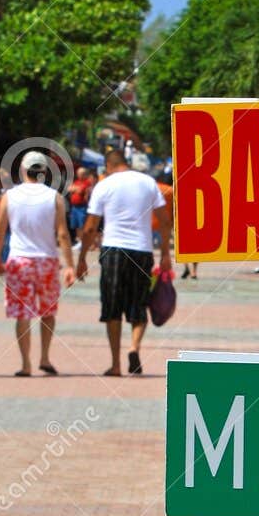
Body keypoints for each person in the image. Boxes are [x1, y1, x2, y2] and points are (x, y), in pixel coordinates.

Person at [76, 148, 171, 376]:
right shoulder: (148, 182)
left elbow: (90, 227)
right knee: (139, 304)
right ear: (125, 162)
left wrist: (81, 259)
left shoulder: (104, 185)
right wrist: (166, 253)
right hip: (142, 251)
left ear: (108, 166)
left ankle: (116, 364)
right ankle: (134, 347)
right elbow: (165, 221)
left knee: (112, 308)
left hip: (114, 251)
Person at [0, 152, 75, 376]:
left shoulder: (9, 196)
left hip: (19, 261)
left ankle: (26, 364)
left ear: (22, 170)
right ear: (44, 172)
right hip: (46, 261)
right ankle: (45, 357)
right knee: (48, 312)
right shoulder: (54, 197)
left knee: (22, 314)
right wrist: (69, 266)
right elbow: (63, 235)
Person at [67, 166, 94, 245]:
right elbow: (69, 189)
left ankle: (83, 241)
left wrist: (75, 189)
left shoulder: (87, 182)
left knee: (82, 225)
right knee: (75, 225)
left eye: (80, 174)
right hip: (74, 207)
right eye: (78, 173)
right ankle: (79, 241)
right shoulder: (76, 181)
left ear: (84, 174)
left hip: (82, 207)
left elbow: (80, 190)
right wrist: (75, 189)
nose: (78, 175)